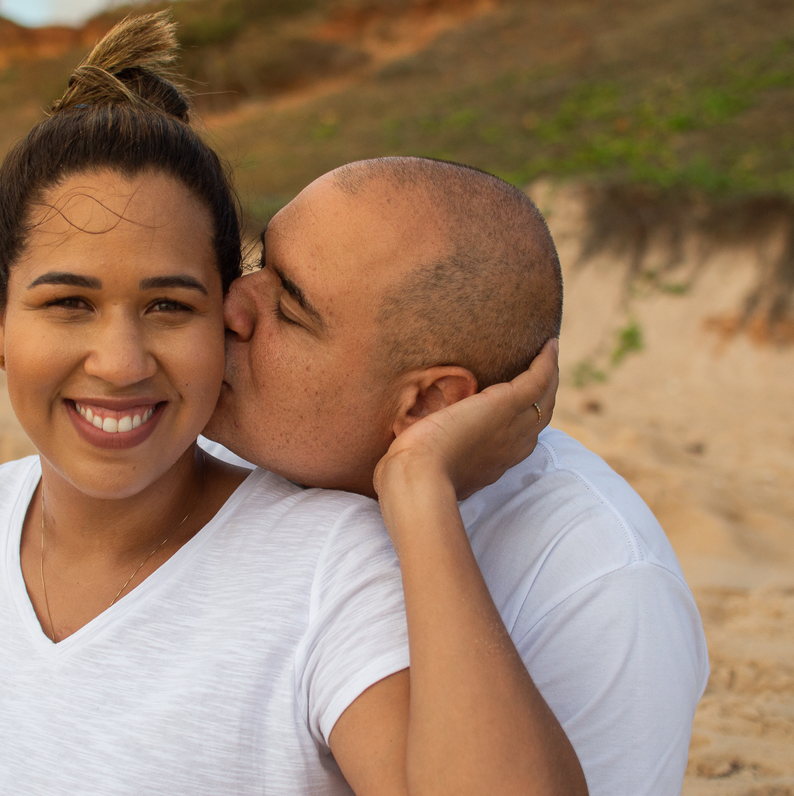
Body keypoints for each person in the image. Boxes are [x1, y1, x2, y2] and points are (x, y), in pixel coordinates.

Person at [0, 14, 587, 796]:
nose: (121, 362)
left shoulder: (327, 564)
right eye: (68, 303)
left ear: (225, 316)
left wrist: (421, 488)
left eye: (169, 306)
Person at [200, 156, 711, 795]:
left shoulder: (599, 588)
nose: (229, 305)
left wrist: (419, 492)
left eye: (288, 308)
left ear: (426, 404)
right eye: (259, 263)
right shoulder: (220, 448)